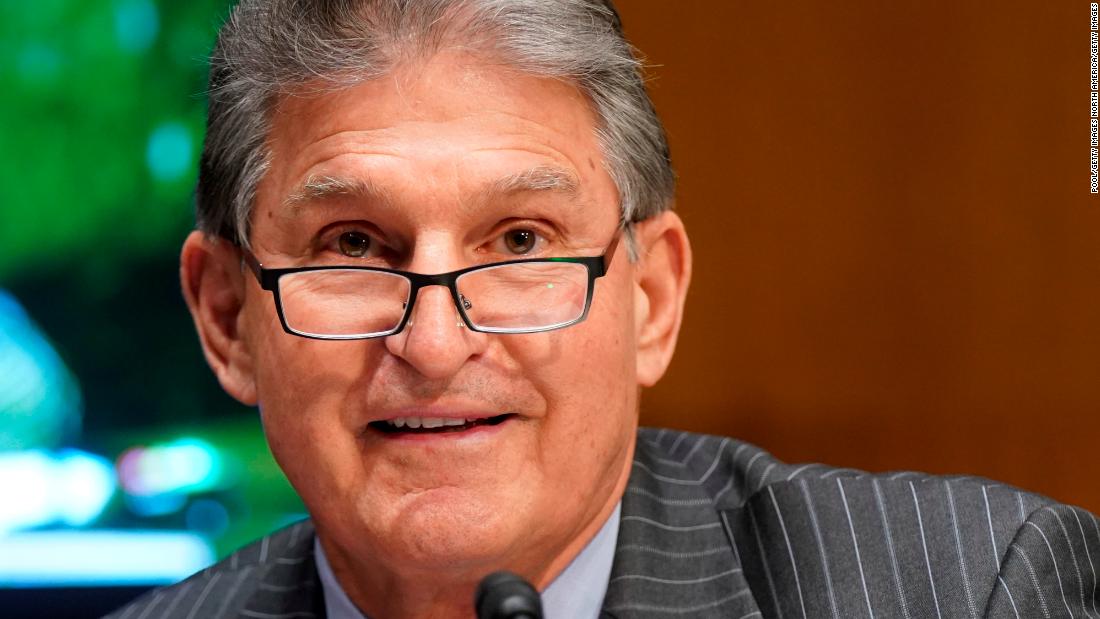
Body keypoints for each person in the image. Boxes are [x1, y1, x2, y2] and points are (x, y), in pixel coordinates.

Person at [108, 1, 1100, 617]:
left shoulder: (971, 589)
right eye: (354, 246)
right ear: (227, 318)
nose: (435, 344)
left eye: (520, 241)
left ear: (650, 298)